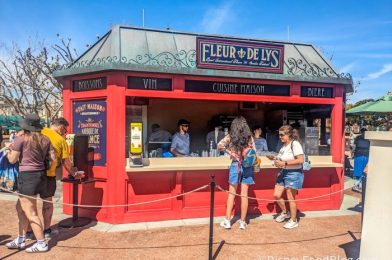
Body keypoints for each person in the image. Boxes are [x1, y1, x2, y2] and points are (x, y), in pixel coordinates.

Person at [5, 113, 55, 253]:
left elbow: (12, 160)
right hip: (42, 176)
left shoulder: (20, 139)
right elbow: (53, 158)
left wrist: (9, 149)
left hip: (27, 177)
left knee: (31, 212)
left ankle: (41, 243)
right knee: (20, 208)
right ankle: (20, 239)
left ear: (25, 126)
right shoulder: (46, 139)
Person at [24, 117, 77, 240]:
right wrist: (74, 173)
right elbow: (66, 162)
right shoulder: (61, 141)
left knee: (29, 205)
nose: (65, 133)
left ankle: (28, 232)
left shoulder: (38, 132)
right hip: (48, 175)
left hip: (30, 174)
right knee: (47, 203)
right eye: (65, 131)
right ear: (61, 127)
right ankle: (47, 230)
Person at [217, 116, 256, 230]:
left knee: (231, 193)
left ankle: (228, 220)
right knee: (244, 195)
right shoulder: (249, 137)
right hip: (247, 167)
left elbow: (219, 145)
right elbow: (254, 152)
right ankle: (243, 222)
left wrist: (231, 153)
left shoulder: (231, 136)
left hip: (235, 165)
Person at [271, 125, 304, 229]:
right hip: (283, 172)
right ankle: (286, 212)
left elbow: (300, 160)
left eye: (282, 135)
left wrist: (284, 163)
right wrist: (276, 161)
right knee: (276, 195)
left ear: (289, 135)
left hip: (294, 173)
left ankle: (294, 221)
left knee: (290, 197)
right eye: (279, 135)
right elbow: (281, 160)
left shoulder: (295, 144)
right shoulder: (284, 146)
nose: (280, 137)